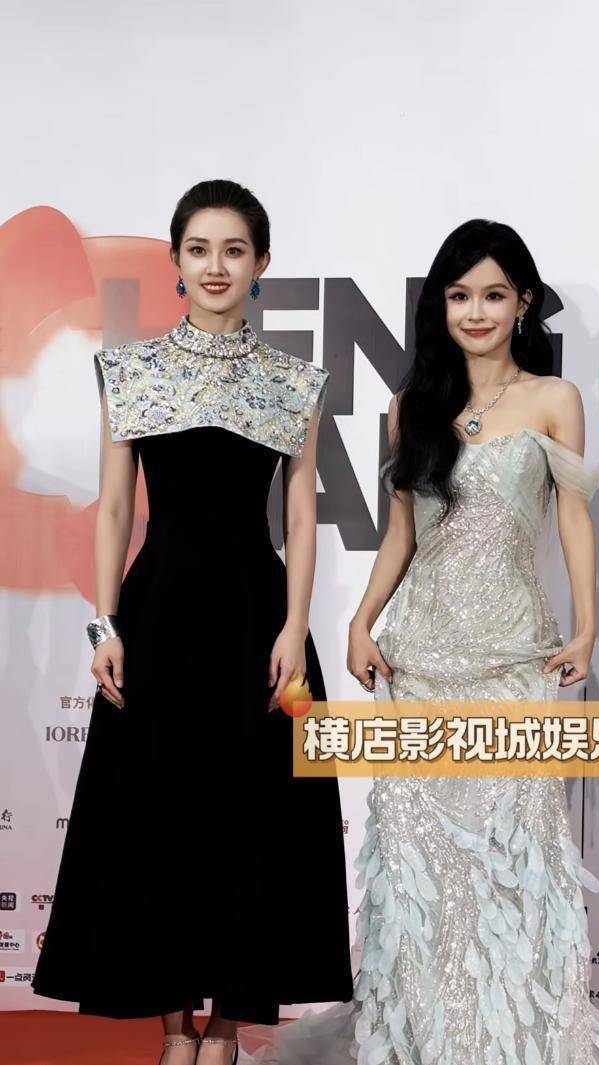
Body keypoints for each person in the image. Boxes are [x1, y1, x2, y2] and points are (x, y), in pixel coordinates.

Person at [239, 219, 599, 1065]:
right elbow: (400, 534)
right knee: (421, 862)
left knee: (512, 854)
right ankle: (421, 1035)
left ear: (523, 302)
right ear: (440, 306)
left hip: (512, 655)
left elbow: (573, 520)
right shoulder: (410, 406)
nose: (475, 312)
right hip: (420, 656)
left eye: (493, 295)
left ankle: (510, 1039)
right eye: (458, 295)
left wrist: (587, 624)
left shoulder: (555, 399)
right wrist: (361, 620)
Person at [31, 179, 352, 1065]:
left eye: (234, 250)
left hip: (256, 621)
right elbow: (112, 509)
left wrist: (295, 627)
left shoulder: (292, 382)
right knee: (156, 819)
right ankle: (175, 1028)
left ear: (261, 264)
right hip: (158, 616)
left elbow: (299, 518)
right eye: (200, 249)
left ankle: (226, 1029)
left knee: (255, 820)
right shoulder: (132, 371)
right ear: (176, 261)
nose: (216, 266)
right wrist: (102, 626)